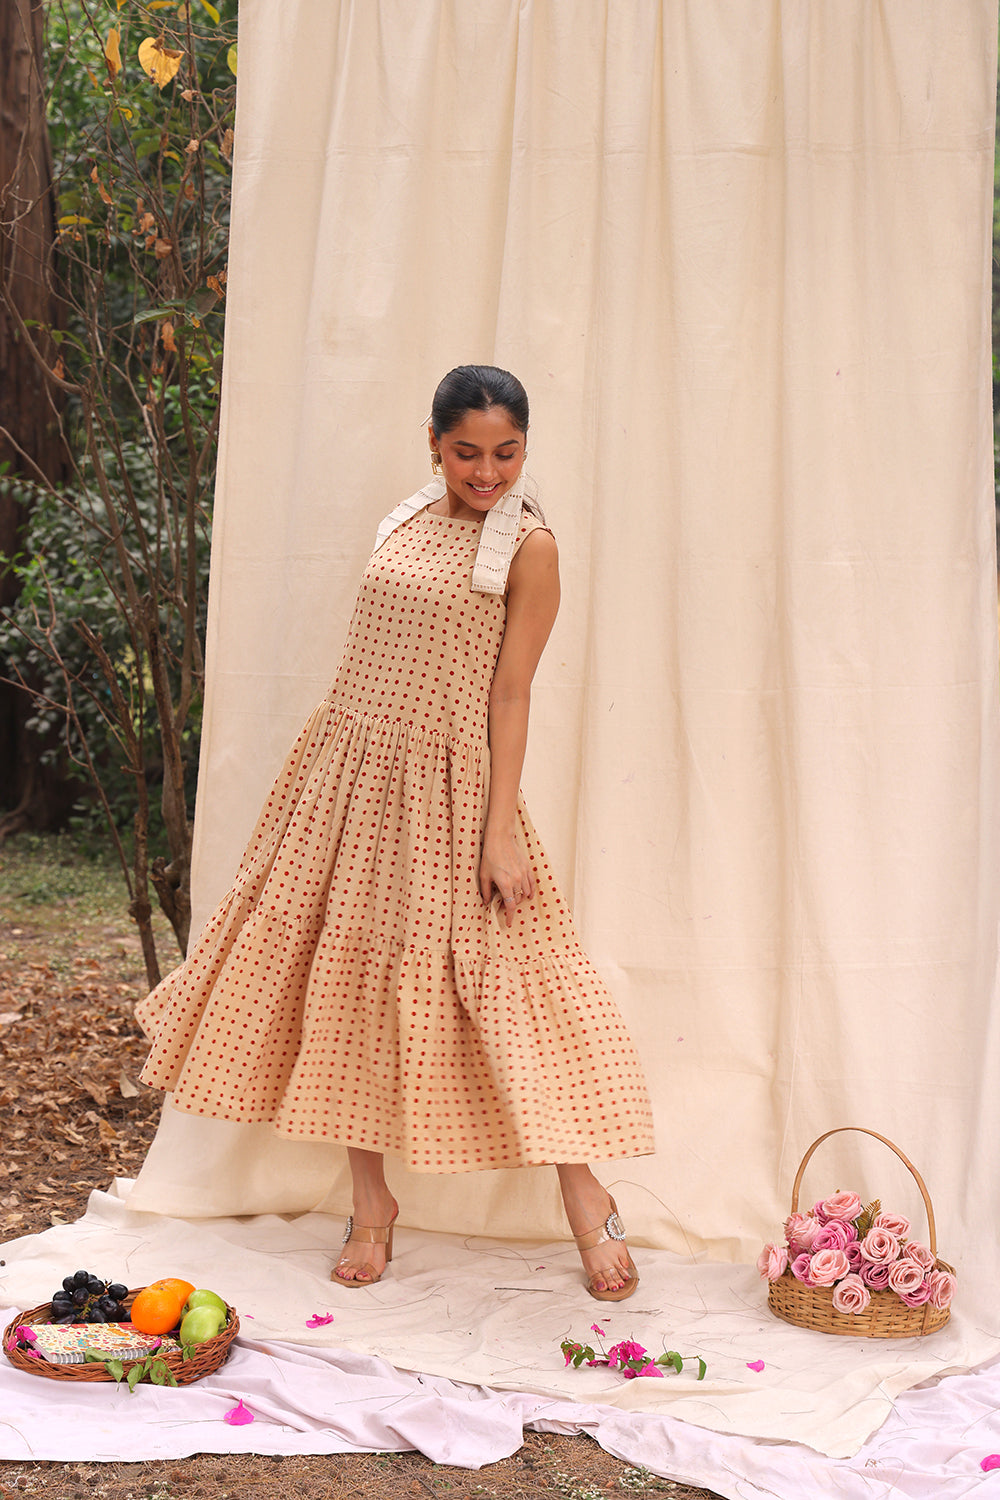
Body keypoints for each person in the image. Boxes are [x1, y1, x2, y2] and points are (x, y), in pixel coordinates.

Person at [136, 365, 654, 1302]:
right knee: (345, 985)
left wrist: (499, 832)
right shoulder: (406, 518)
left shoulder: (529, 549)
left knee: (507, 989)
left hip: (450, 788)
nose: (485, 471)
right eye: (466, 452)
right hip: (347, 775)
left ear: (525, 450)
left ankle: (587, 1198)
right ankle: (370, 1204)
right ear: (433, 443)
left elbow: (510, 691)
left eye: (506, 452)